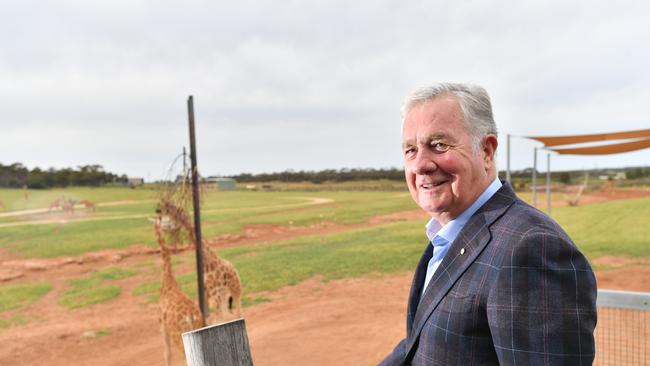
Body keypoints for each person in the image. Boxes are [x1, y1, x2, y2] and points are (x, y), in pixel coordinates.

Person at [380, 83, 597, 365]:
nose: (420, 164)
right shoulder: (451, 233)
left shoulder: (531, 247)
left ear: (486, 150)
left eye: (439, 145)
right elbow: (419, 343)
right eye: (410, 150)